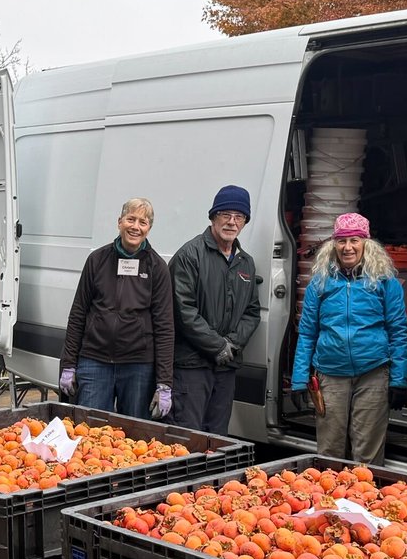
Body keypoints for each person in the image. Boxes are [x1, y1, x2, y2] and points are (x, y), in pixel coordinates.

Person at [290, 212, 407, 465]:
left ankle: (364, 500)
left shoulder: (386, 282)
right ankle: (330, 503)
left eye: (355, 240)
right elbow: (308, 332)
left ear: (366, 243)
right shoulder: (320, 283)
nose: (348, 247)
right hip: (330, 374)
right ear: (333, 244)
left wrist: (399, 379)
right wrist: (300, 378)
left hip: (373, 374)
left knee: (367, 455)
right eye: (342, 241)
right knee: (330, 451)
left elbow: (398, 331)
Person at [59, 198, 174, 419]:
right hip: (94, 361)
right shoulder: (97, 260)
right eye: (131, 219)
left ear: (149, 228)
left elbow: (165, 328)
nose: (135, 227)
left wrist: (164, 383)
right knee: (89, 430)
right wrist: (69, 364)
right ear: (119, 222)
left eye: (143, 222)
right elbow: (78, 315)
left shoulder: (157, 268)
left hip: (138, 366)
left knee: (134, 436)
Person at [168, 184, 261, 434]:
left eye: (239, 217)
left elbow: (252, 312)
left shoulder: (246, 263)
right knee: (187, 439)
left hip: (225, 368)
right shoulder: (190, 255)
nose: (232, 222)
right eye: (225, 215)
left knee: (217, 440)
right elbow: (182, 310)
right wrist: (217, 345)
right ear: (213, 217)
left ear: (244, 222)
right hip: (191, 367)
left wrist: (231, 344)